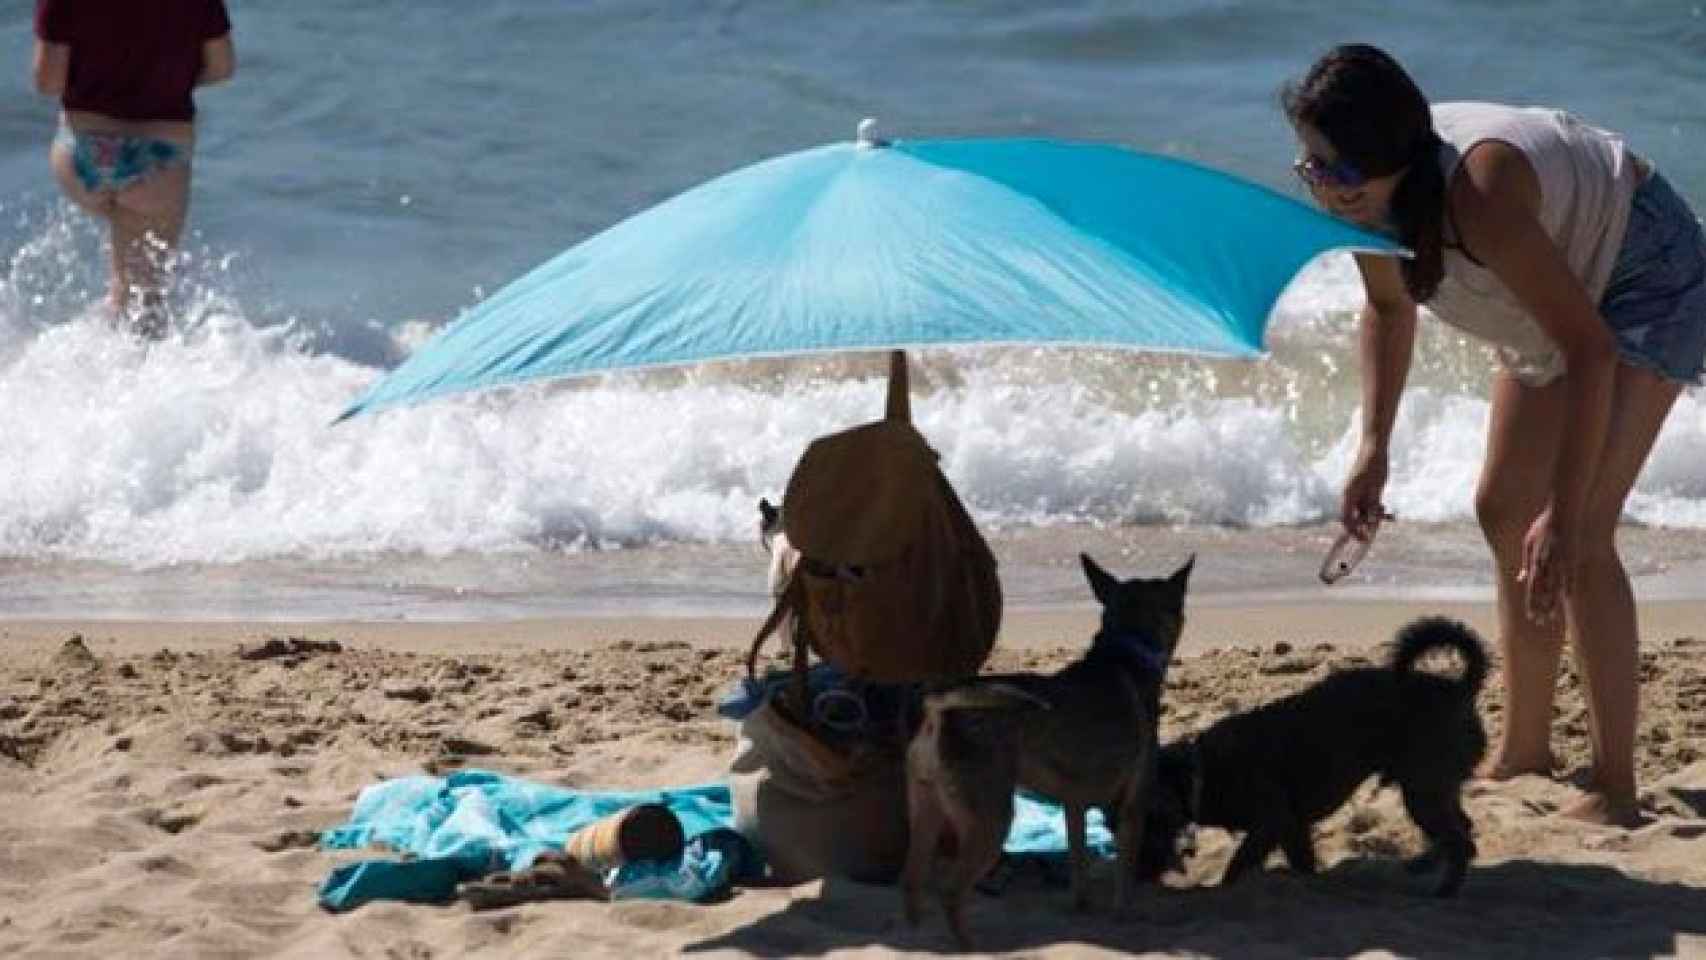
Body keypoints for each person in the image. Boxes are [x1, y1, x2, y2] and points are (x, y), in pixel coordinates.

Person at [1283, 43, 1706, 827]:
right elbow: (1386, 310)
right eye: (1309, 166)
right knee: (1506, 510)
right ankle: (1526, 751)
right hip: (1558, 291)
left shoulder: (1479, 195)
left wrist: (1570, 508)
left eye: (1335, 169)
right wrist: (1372, 449)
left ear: (1389, 158)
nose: (1320, 184)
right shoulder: (1363, 204)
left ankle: (1615, 787)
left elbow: (1590, 349)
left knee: (1580, 535)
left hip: (1645, 269)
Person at [32, 0, 235, 338]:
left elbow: (48, 81)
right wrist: (174, 78)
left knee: (124, 276)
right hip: (158, 160)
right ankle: (140, 379)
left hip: (81, 155)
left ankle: (95, 354)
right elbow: (222, 67)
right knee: (147, 300)